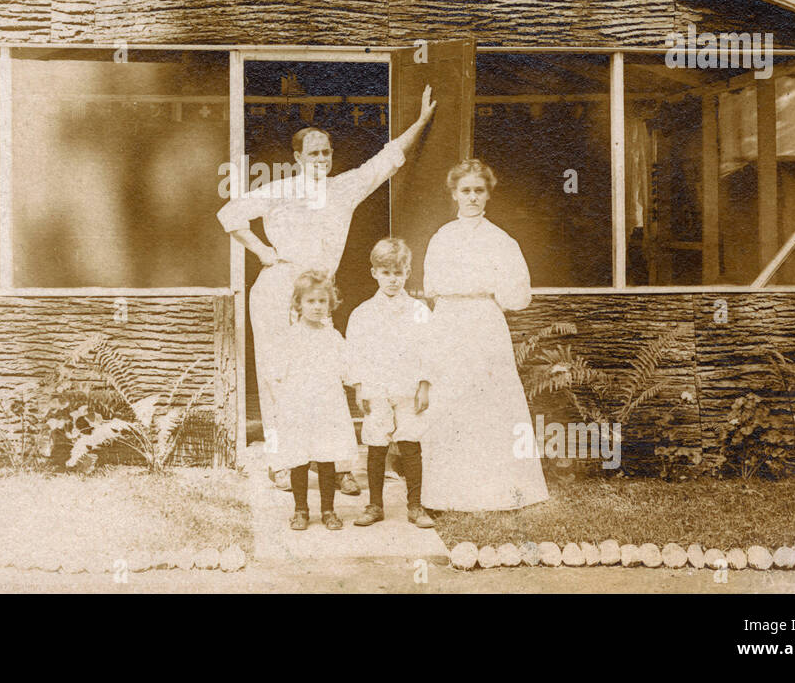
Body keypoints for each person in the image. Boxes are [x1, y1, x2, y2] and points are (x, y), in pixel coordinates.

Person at [218, 85, 438, 491]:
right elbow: (230, 214)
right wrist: (264, 252)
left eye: (326, 152)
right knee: (279, 375)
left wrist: (422, 122)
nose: (321, 158)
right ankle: (282, 462)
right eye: (313, 152)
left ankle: (334, 465)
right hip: (277, 289)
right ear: (298, 158)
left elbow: (387, 160)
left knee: (324, 375)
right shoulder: (280, 189)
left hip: (317, 294)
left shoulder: (343, 189)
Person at [420, 159, 548, 512]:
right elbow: (433, 287)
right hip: (449, 323)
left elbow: (517, 295)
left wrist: (489, 293)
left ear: (488, 194)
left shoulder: (501, 241)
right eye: (466, 191)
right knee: (452, 400)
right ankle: (449, 493)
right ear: (454, 194)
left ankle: (499, 490)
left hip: (485, 323)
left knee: (490, 403)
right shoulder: (441, 238)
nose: (472, 197)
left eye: (479, 191)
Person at [345, 238, 436, 528]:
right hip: (376, 387)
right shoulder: (362, 314)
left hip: (408, 386)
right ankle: (374, 505)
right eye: (386, 272)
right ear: (375, 273)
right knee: (376, 444)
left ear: (408, 272)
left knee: (410, 443)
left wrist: (424, 385)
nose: (393, 279)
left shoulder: (420, 312)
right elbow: (354, 354)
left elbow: (429, 349)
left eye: (398, 272)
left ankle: (415, 505)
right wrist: (360, 386)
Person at [264, 271, 358, 531]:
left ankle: (328, 509)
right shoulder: (289, 338)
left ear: (330, 304)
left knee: (327, 458)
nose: (317, 307)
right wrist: (283, 405)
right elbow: (275, 375)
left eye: (322, 302)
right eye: (311, 301)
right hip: (298, 406)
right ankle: (301, 510)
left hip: (327, 406)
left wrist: (358, 386)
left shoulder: (333, 337)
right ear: (299, 304)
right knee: (299, 459)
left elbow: (347, 369)